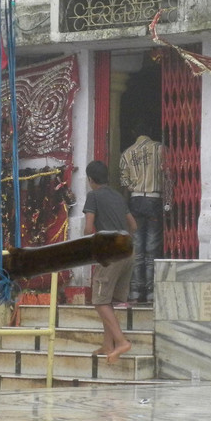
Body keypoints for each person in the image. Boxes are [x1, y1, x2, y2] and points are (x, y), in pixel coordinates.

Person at [83, 160, 136, 362]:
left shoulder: (93, 196)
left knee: (99, 301)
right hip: (128, 249)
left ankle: (121, 342)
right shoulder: (117, 196)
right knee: (109, 300)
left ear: (90, 179)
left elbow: (88, 229)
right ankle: (107, 345)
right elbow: (133, 225)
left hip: (111, 252)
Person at [119, 124, 165, 303]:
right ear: (151, 132)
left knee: (137, 248)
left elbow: (124, 184)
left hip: (135, 200)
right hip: (154, 199)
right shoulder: (161, 149)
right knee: (152, 247)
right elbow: (168, 174)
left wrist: (125, 210)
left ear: (133, 133)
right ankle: (152, 291)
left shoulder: (126, 153)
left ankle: (137, 291)